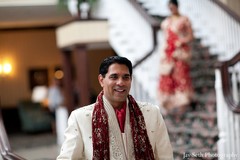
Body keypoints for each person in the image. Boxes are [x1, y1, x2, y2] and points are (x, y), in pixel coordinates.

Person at [57, 56, 173, 159]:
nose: (120, 82)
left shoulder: (151, 113)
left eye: (126, 77)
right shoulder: (80, 118)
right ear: (101, 80)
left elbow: (165, 155)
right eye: (114, 77)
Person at [158, 0, 194, 115]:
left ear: (177, 7)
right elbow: (166, 37)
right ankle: (169, 105)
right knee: (168, 79)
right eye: (170, 7)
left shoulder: (184, 20)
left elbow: (190, 36)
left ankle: (183, 104)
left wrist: (181, 41)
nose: (171, 9)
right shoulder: (167, 22)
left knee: (180, 77)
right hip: (168, 53)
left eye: (173, 7)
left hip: (179, 53)